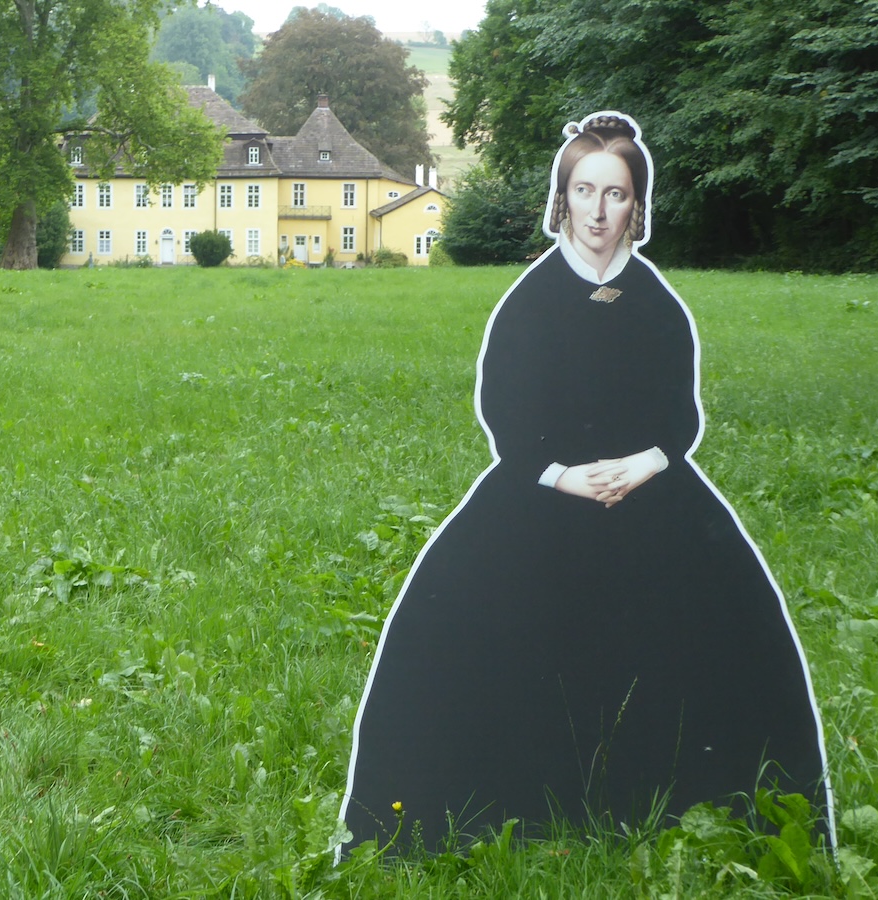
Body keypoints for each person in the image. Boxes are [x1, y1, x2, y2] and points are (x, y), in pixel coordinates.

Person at [338, 112, 832, 856]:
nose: (600, 213)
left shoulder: (659, 304)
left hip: (652, 490)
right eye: (585, 192)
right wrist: (563, 475)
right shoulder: (529, 302)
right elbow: (505, 413)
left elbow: (681, 413)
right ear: (562, 199)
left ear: (638, 206)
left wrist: (649, 463)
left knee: (718, 630)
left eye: (618, 195)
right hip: (540, 494)